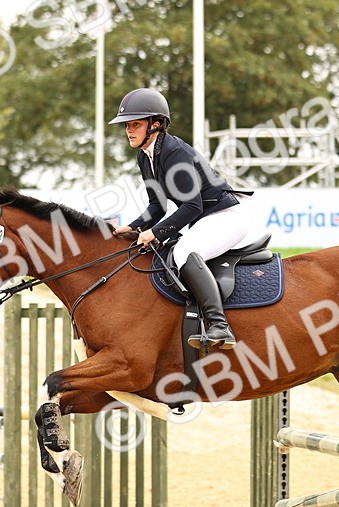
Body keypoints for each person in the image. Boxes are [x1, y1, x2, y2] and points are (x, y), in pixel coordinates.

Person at [108, 88, 254, 350]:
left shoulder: (173, 151)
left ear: (156, 124)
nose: (129, 130)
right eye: (127, 125)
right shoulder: (145, 156)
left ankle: (219, 325)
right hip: (207, 218)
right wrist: (129, 228)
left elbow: (192, 205)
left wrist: (155, 233)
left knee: (184, 251)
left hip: (227, 215)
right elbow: (156, 207)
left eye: (135, 124)